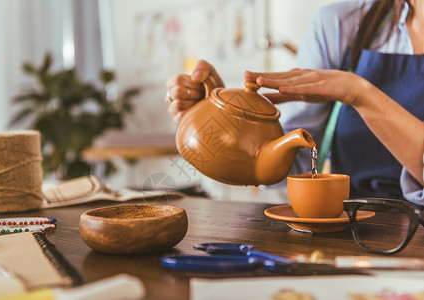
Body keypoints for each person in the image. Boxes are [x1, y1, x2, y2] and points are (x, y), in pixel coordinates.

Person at [165, 0, 424, 206]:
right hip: (353, 229)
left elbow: (355, 91)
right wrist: (228, 129)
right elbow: (289, 168)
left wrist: (358, 93)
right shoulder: (340, 25)